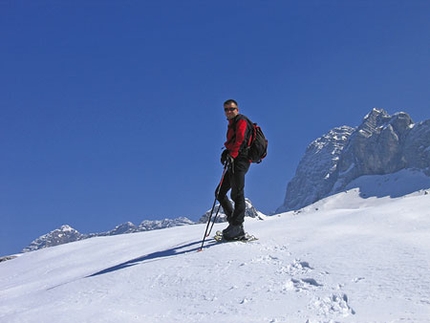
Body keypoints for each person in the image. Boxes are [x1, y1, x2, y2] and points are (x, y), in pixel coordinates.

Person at [216, 99, 252, 240]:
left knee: (237, 192)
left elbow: (241, 140)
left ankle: (237, 227)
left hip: (241, 160)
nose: (229, 111)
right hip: (233, 160)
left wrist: (233, 154)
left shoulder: (241, 121)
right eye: (226, 109)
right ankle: (234, 224)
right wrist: (227, 152)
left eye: (231, 108)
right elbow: (234, 142)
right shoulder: (232, 124)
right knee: (220, 193)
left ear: (237, 109)